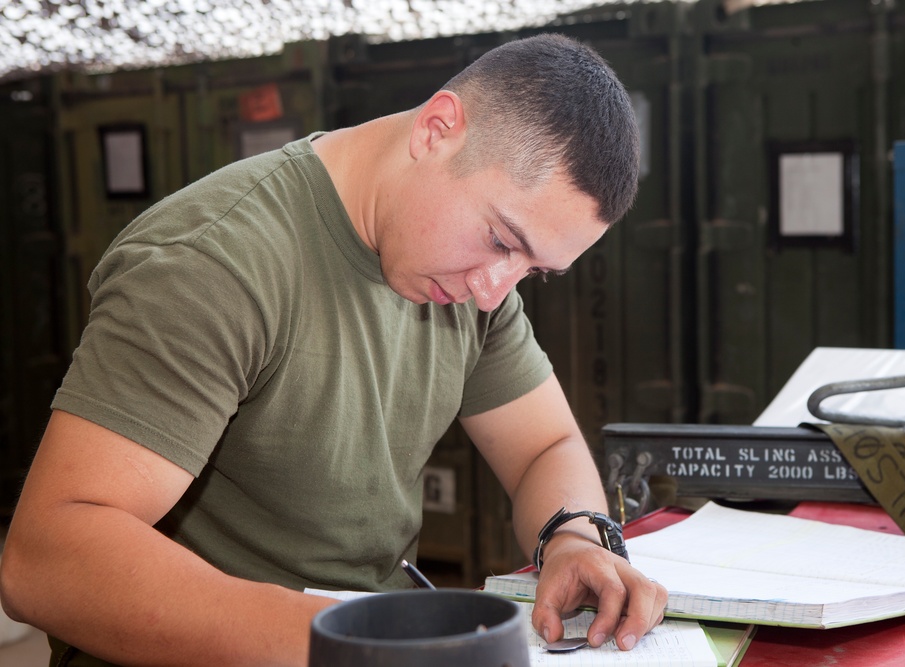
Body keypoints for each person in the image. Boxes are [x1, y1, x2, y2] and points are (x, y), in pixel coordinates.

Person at [0, 33, 668, 666]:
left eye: (533, 269)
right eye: (502, 240)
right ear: (438, 130)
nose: (497, 291)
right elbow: (46, 560)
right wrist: (350, 643)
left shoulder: (469, 284)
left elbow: (543, 447)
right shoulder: (213, 265)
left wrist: (574, 536)